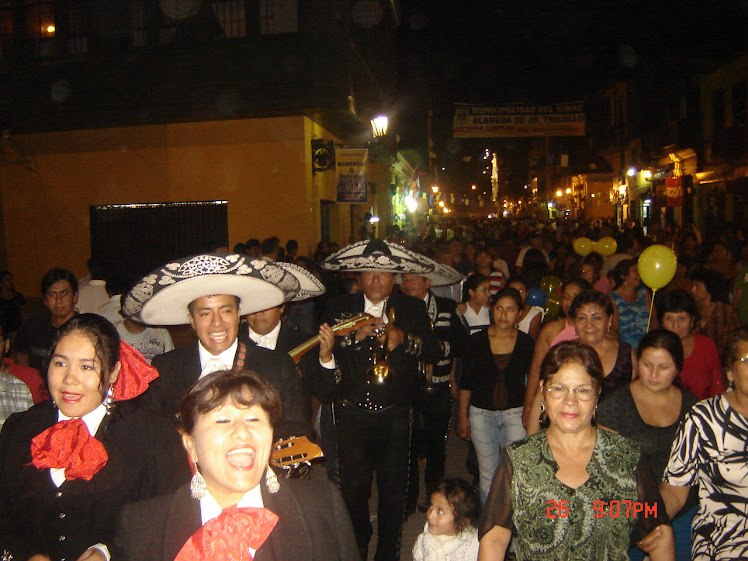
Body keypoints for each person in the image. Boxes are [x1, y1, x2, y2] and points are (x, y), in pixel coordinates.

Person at [112, 370, 360, 561]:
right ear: (190, 445)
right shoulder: (142, 525)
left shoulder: (321, 505)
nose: (242, 432)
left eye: (254, 418)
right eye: (222, 420)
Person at [0, 314, 190, 561]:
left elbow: (172, 519)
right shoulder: (19, 429)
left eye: (86, 366)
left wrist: (109, 552)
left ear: (113, 372)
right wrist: (24, 555)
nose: (70, 379)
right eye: (60, 364)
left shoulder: (152, 436)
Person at [478, 341, 675, 561]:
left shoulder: (627, 458)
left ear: (597, 395)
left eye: (582, 390)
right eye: (559, 388)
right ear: (543, 391)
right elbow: (494, 539)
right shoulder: (518, 460)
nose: (570, 401)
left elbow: (658, 534)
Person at [320, 239, 441, 561]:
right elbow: (321, 349)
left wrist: (405, 339)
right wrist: (351, 338)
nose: (375, 280)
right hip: (351, 415)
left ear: (394, 279)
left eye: (383, 274)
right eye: (369, 273)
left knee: (394, 492)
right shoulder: (337, 307)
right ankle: (357, 545)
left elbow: (435, 350)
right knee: (353, 492)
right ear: (358, 275)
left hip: (396, 415)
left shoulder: (412, 307)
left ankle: (388, 553)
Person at [125, 253, 315, 439]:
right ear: (191, 320)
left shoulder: (276, 366)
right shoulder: (165, 368)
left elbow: (296, 429)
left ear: (238, 314)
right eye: (205, 314)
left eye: (226, 311)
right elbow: (149, 430)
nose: (217, 323)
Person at [597, 329, 699, 561]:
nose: (653, 374)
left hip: (683, 507)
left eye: (663, 367)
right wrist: (641, 523)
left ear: (677, 368)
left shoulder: (693, 407)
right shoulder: (615, 405)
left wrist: (658, 521)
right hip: (628, 511)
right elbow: (607, 473)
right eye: (647, 364)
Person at [659, 329, 748, 560]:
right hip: (726, 540)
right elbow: (674, 492)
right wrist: (651, 526)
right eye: (747, 360)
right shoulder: (704, 419)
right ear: (729, 371)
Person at [400, 264, 466, 511]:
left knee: (437, 446)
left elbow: (461, 343)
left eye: (413, 279)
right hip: (409, 388)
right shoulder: (398, 309)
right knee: (408, 446)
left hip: (437, 387)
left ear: (427, 283)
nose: (408, 284)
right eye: (404, 280)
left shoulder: (447, 308)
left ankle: (433, 497)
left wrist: (438, 349)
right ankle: (407, 500)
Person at [458, 288, 534, 503]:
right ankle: (489, 529)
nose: (504, 314)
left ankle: (513, 527)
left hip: (515, 413)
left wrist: (530, 412)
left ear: (519, 314)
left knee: (514, 471)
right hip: (482, 414)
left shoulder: (527, 343)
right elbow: (467, 382)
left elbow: (534, 381)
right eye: (499, 308)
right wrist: (462, 417)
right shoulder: (477, 341)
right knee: (488, 474)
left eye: (510, 310)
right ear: (492, 310)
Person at [526, 289, 635, 434]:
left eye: (596, 318)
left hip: (613, 439)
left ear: (609, 320)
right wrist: (530, 440)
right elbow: (542, 396)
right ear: (575, 323)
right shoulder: (563, 353)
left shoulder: (626, 353)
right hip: (565, 433)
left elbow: (637, 399)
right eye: (582, 318)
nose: (589, 325)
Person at [521, 278, 591, 429]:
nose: (569, 300)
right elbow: (535, 370)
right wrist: (528, 407)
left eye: (574, 295)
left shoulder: (592, 332)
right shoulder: (551, 330)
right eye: (565, 296)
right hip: (552, 399)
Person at [656, 289, 725, 399]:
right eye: (669, 319)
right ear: (662, 322)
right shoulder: (654, 348)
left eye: (682, 319)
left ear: (692, 320)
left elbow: (717, 387)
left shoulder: (706, 346)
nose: (676, 325)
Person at [14, 267, 79, 372]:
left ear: (75, 296)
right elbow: (22, 358)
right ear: (45, 299)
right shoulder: (31, 327)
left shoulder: (85, 328)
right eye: (52, 294)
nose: (58, 300)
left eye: (64, 293)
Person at [413, 478, 480, 561]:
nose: (430, 515)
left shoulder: (473, 545)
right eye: (431, 506)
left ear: (462, 521)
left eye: (440, 512)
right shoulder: (425, 539)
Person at [688, 267, 740, 360]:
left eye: (697, 286)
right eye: (692, 285)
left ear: (709, 287)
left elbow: (734, 342)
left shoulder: (726, 312)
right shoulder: (692, 311)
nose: (692, 290)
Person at [113, 294, 174, 364]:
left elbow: (170, 364)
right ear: (125, 309)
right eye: (136, 305)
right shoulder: (112, 333)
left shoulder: (161, 332)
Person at [610, 259, 654, 348]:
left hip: (648, 345)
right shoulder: (613, 298)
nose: (639, 274)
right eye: (635, 271)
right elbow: (614, 328)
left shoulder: (643, 292)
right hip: (626, 347)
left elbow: (654, 319)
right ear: (623, 275)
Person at [0, 270, 25, 335]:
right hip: (3, 331)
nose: (10, 282)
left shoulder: (18, 297)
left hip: (16, 329)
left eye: (11, 280)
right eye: (7, 280)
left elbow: (23, 312)